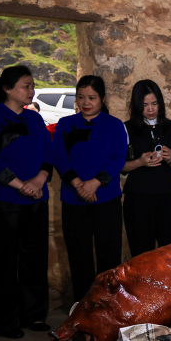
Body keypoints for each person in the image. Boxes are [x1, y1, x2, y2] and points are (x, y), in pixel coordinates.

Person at [0, 65, 53, 338]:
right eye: (26, 86)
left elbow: (48, 153)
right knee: (3, 260)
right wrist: (22, 185)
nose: (31, 91)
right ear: (7, 89)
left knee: (35, 258)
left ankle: (34, 315)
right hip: (3, 199)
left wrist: (39, 180)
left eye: (32, 86)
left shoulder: (34, 118)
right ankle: (5, 321)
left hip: (36, 198)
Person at [53, 76, 128, 301]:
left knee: (109, 255)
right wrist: (78, 184)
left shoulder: (114, 125)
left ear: (102, 99)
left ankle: (108, 304)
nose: (86, 102)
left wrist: (94, 183)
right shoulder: (65, 124)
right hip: (73, 198)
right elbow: (59, 156)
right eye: (81, 97)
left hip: (106, 198)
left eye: (92, 98)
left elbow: (118, 158)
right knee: (78, 255)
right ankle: (83, 305)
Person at [121, 80, 171, 257]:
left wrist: (169, 158)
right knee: (141, 249)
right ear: (137, 105)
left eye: (154, 103)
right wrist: (140, 162)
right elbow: (121, 166)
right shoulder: (126, 128)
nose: (150, 109)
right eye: (145, 105)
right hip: (138, 196)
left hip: (166, 194)